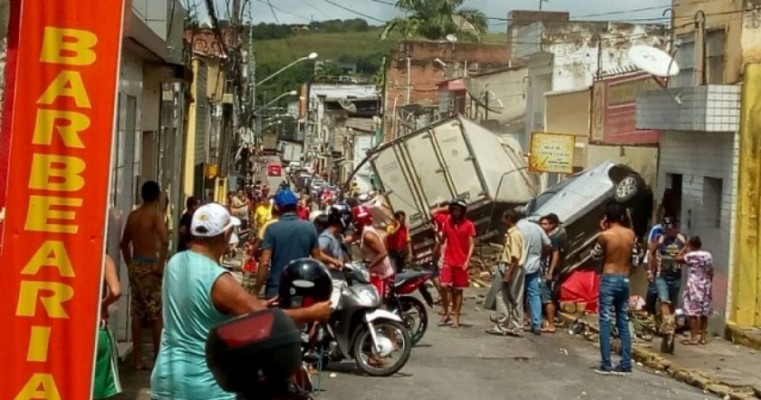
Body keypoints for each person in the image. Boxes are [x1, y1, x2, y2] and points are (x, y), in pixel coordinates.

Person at [150, 203, 331, 400]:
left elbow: (208, 308)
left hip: (165, 378)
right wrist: (312, 313)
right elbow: (268, 321)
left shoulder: (175, 262)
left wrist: (260, 304)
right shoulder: (217, 279)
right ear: (224, 235)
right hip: (205, 386)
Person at [255, 189, 343, 299]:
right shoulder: (309, 227)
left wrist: (256, 291)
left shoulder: (271, 229)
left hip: (277, 288)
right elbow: (317, 259)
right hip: (303, 287)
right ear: (296, 206)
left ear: (277, 207)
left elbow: (264, 262)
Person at [120, 180, 169, 370]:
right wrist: (160, 266)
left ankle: (138, 359)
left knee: (137, 313)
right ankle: (158, 358)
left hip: (136, 264)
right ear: (157, 196)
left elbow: (124, 244)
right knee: (156, 314)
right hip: (150, 267)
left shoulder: (133, 215)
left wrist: (130, 263)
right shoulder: (155, 215)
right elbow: (164, 240)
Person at [591, 203, 636, 376]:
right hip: (624, 278)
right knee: (622, 320)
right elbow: (636, 259)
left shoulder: (605, 236)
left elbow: (595, 255)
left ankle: (606, 363)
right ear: (622, 217)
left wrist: (600, 231)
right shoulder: (630, 234)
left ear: (606, 219)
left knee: (605, 320)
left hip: (609, 277)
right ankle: (625, 363)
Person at [432, 199, 475, 329]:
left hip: (461, 261)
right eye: (454, 209)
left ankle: (456, 317)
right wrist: (436, 233)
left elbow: (472, 244)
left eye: (458, 210)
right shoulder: (447, 222)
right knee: (444, 286)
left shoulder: (468, 225)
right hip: (448, 260)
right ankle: (446, 312)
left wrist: (467, 260)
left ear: (462, 211)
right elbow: (443, 239)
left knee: (458, 290)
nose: (456, 212)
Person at [485, 209, 525, 337]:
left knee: (512, 296)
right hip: (507, 266)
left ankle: (515, 326)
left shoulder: (514, 235)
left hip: (511, 267)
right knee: (502, 295)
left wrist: (508, 273)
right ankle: (504, 324)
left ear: (508, 219)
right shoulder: (512, 234)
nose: (502, 221)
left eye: (503, 218)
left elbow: (515, 256)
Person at [648, 216, 687, 338]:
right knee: (664, 300)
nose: (668, 231)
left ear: (676, 228)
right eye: (666, 228)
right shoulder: (660, 239)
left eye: (670, 228)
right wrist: (650, 270)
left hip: (676, 276)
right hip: (662, 276)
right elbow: (651, 253)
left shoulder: (682, 239)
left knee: (672, 303)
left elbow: (689, 253)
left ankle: (667, 323)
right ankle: (668, 327)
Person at [93, 255, 123, 399]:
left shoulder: (67, 257)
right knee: (100, 387)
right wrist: (103, 304)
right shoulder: (103, 258)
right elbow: (116, 291)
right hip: (97, 329)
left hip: (72, 330)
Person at [517, 215, 551, 336]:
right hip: (534, 266)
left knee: (517, 295)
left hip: (518, 266)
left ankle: (518, 322)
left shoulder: (518, 227)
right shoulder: (538, 229)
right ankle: (536, 323)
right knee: (534, 294)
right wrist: (542, 257)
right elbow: (548, 244)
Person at [352, 205, 395, 299]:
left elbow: (383, 252)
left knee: (378, 302)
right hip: (378, 273)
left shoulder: (368, 235)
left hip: (382, 275)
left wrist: (370, 266)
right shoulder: (365, 231)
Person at [676, 236, 713, 346]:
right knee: (704, 312)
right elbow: (711, 270)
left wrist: (684, 247)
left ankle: (693, 337)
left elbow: (677, 258)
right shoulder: (708, 255)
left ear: (691, 245)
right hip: (705, 285)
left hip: (693, 286)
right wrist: (709, 282)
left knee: (693, 313)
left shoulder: (690, 256)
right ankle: (703, 337)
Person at [539, 213, 564, 333]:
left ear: (552, 225)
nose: (542, 226)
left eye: (545, 224)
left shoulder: (552, 238)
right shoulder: (545, 237)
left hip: (548, 272)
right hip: (542, 270)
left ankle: (551, 324)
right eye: (541, 223)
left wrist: (550, 272)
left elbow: (555, 255)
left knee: (547, 298)